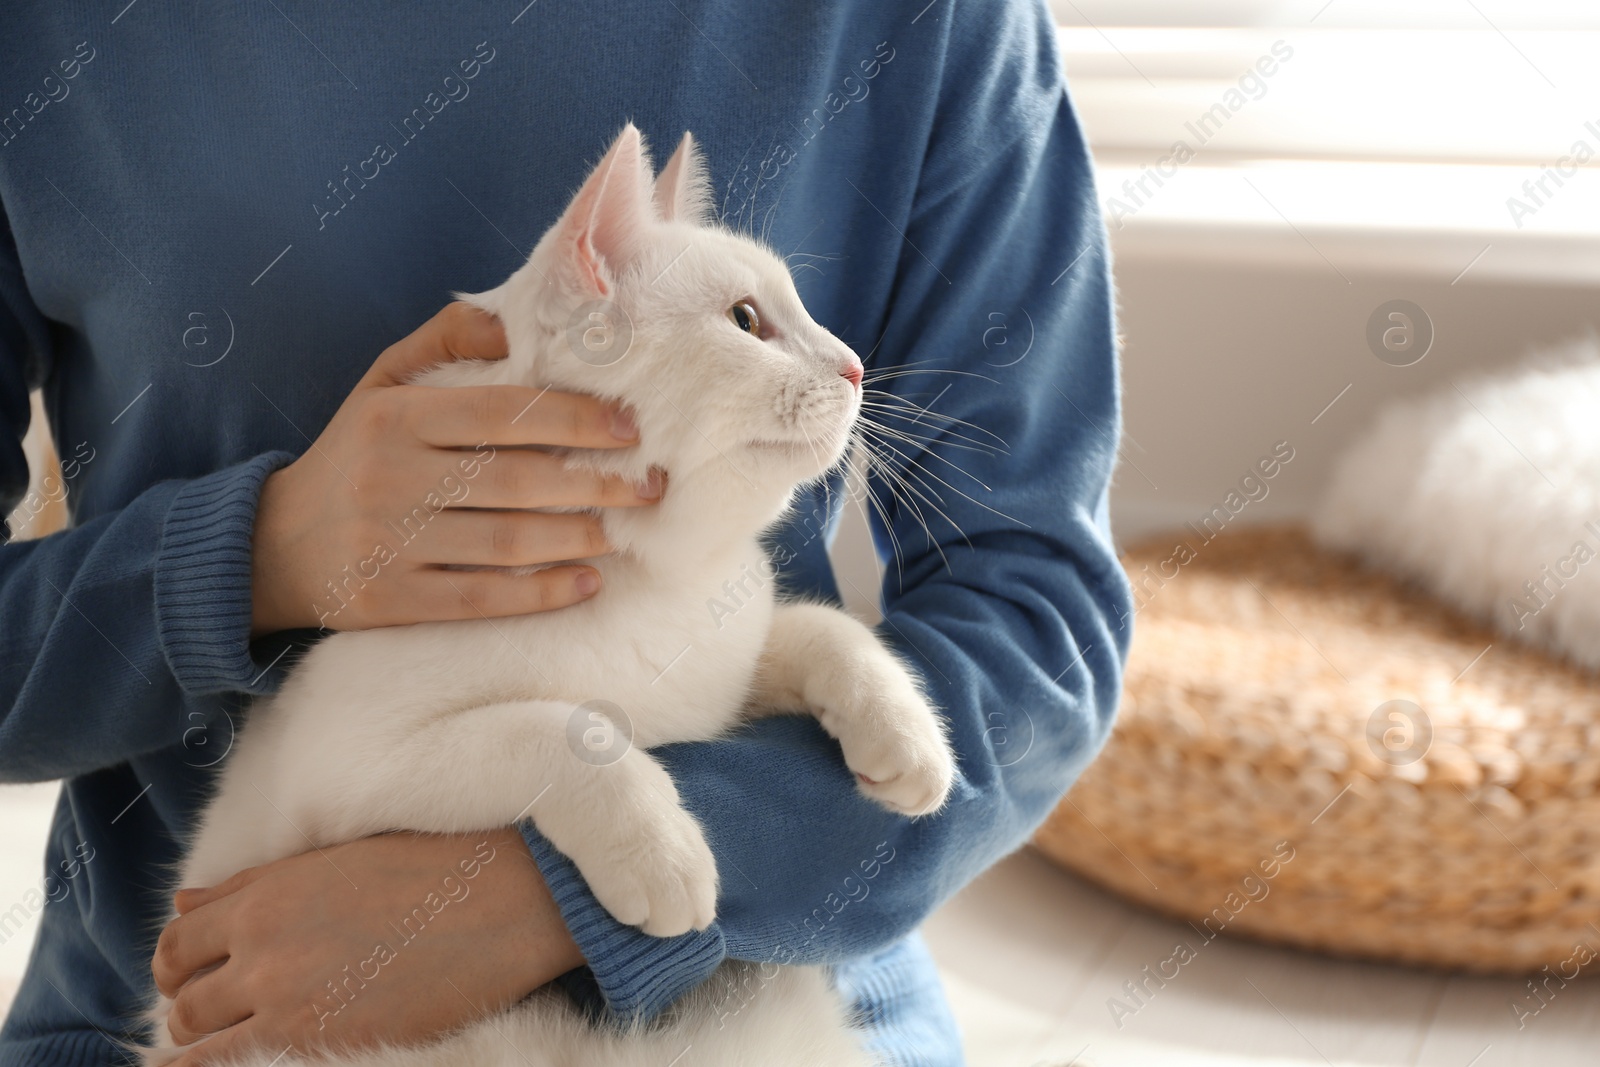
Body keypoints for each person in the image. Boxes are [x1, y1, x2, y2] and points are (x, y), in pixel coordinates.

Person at [0, 1, 1132, 1064]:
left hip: (768, 969)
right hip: (226, 995)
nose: (844, 365)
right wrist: (260, 557)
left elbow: (1037, 615)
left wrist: (555, 894)